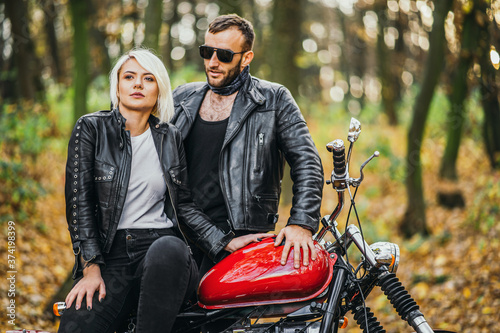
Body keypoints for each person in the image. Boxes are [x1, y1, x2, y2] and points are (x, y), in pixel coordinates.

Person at [58, 49, 206, 333]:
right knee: (76, 326)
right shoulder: (91, 128)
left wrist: (225, 242)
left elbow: (184, 205)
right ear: (117, 86)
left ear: (159, 89)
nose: (138, 84)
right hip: (111, 257)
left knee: (168, 248)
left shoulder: (169, 137)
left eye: (148, 78)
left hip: (165, 253)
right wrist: (90, 268)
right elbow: (80, 204)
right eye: (129, 77)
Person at [172, 14, 324, 275]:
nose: (213, 62)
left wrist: (302, 223)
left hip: (240, 243)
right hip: (180, 235)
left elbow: (307, 162)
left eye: (224, 55)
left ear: (246, 58)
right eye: (207, 52)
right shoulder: (181, 97)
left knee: (223, 316)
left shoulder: (274, 99)